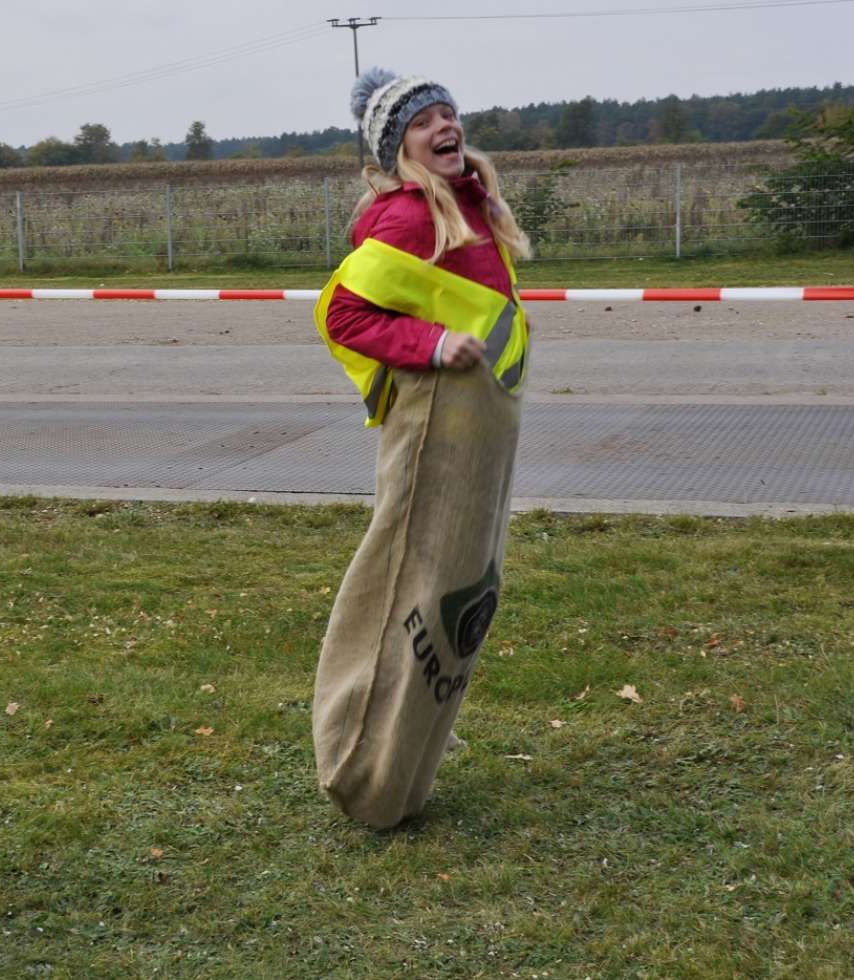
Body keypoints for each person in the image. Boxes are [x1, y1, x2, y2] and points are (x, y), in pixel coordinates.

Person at [310, 68, 535, 829]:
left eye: (448, 112)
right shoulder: (405, 218)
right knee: (411, 587)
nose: (445, 125)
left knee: (454, 598)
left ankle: (398, 778)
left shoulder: (468, 203)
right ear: (396, 147)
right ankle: (363, 770)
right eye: (422, 120)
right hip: (436, 423)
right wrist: (432, 344)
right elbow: (344, 315)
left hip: (477, 428)